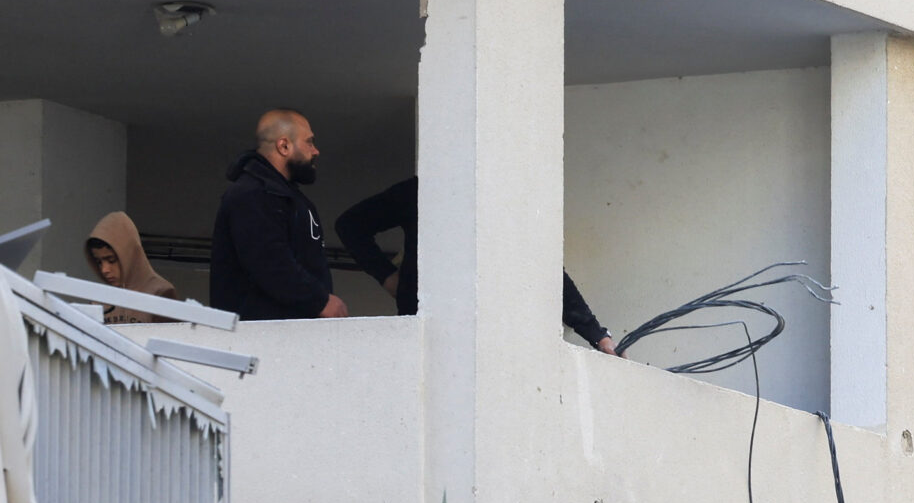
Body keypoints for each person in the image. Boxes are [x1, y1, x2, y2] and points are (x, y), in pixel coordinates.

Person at [334, 175, 620, 352]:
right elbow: (350, 225)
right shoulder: (424, 190)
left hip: (493, 336)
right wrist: (387, 276)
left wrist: (597, 335)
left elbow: (546, 269)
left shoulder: (507, 197)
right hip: (427, 333)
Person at [210, 110, 346, 321]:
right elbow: (269, 261)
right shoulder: (252, 193)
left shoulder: (284, 196)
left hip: (288, 335)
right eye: (309, 142)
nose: (316, 151)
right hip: (260, 340)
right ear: (284, 146)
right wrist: (320, 301)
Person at [83, 212, 177, 324]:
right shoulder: (99, 300)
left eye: (111, 260)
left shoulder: (160, 292)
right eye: (99, 262)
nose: (104, 270)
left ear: (129, 255)